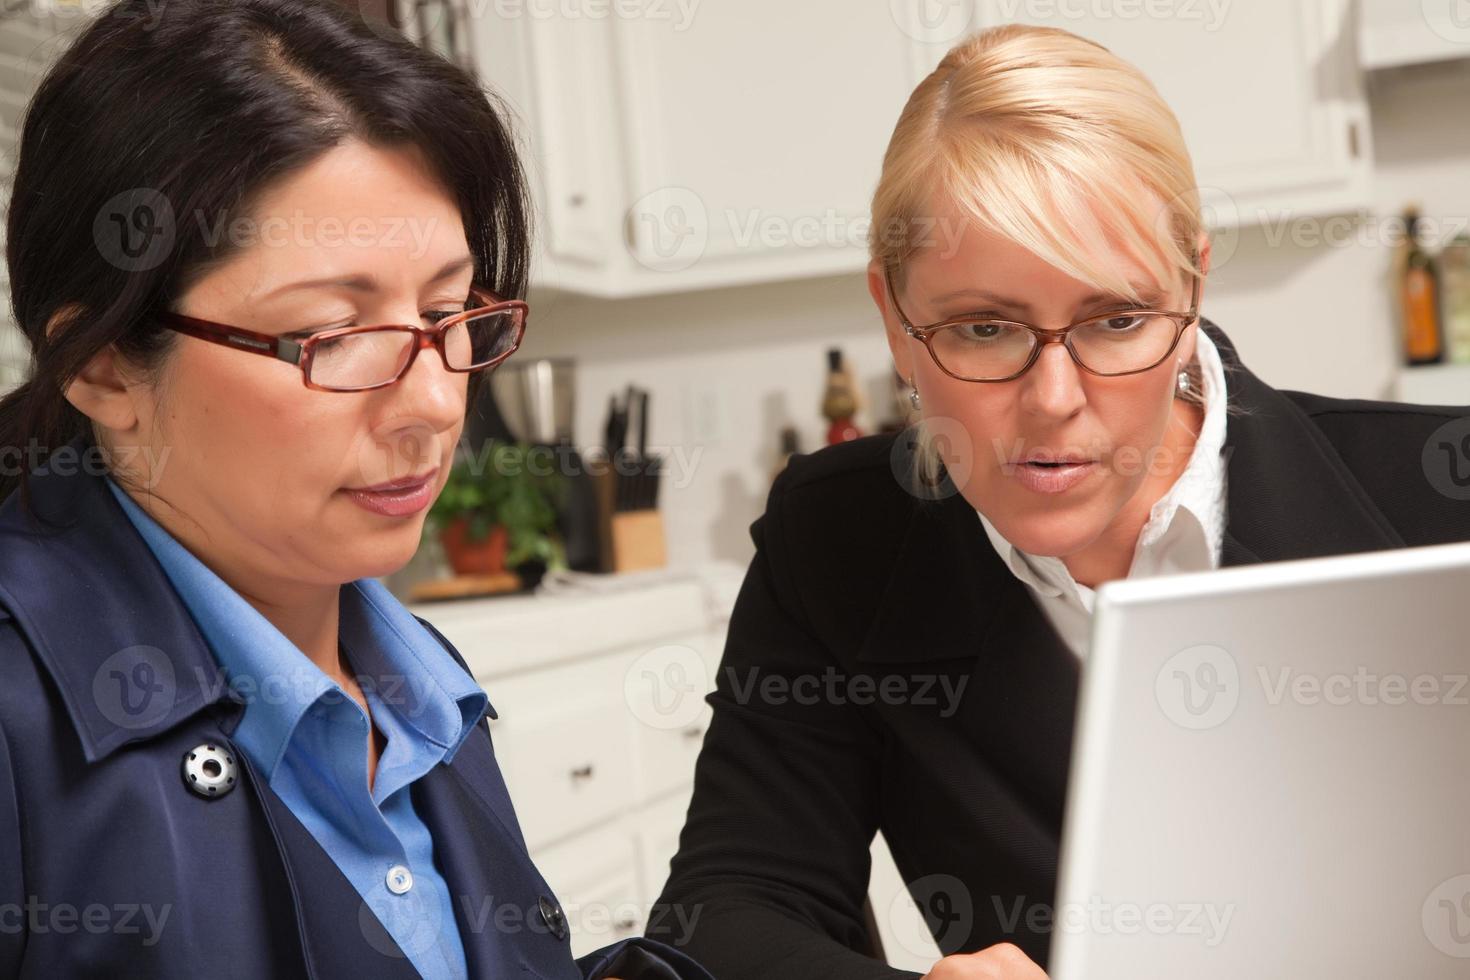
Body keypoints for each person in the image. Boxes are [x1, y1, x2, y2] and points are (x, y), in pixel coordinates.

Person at [651, 23, 1470, 980]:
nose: (1052, 402)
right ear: (894, 321)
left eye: (1117, 320)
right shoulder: (838, 537)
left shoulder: (1436, 492)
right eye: (984, 328)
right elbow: (724, 913)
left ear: (1193, 284)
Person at [0, 2, 711, 978]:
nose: (434, 401)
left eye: (449, 312)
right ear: (106, 366)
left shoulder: (417, 681)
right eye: (336, 334)